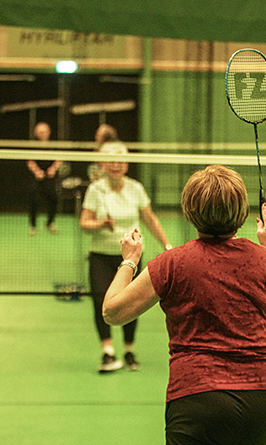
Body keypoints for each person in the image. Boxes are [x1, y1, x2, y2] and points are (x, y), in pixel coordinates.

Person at [103, 165, 266, 445]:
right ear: (241, 211)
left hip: (196, 398)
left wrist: (130, 259)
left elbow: (112, 312)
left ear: (190, 210)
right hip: (261, 397)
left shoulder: (171, 263)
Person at [80, 141, 171, 373]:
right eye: (110, 160)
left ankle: (129, 350)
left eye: (120, 160)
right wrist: (101, 224)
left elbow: (150, 219)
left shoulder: (135, 188)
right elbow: (84, 223)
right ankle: (108, 352)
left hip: (130, 257)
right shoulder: (95, 190)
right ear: (102, 164)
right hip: (101, 255)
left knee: (132, 302)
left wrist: (167, 245)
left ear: (127, 164)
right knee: (101, 301)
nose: (115, 165)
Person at [26, 122, 61, 235]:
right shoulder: (32, 145)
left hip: (50, 175)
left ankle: (50, 222)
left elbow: (59, 158)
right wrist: (37, 171)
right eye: (40, 132)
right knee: (33, 199)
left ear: (49, 132)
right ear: (36, 133)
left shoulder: (54, 145)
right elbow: (28, 159)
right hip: (36, 175)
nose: (42, 134)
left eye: (44, 131)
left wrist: (53, 169)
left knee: (54, 198)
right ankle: (33, 225)